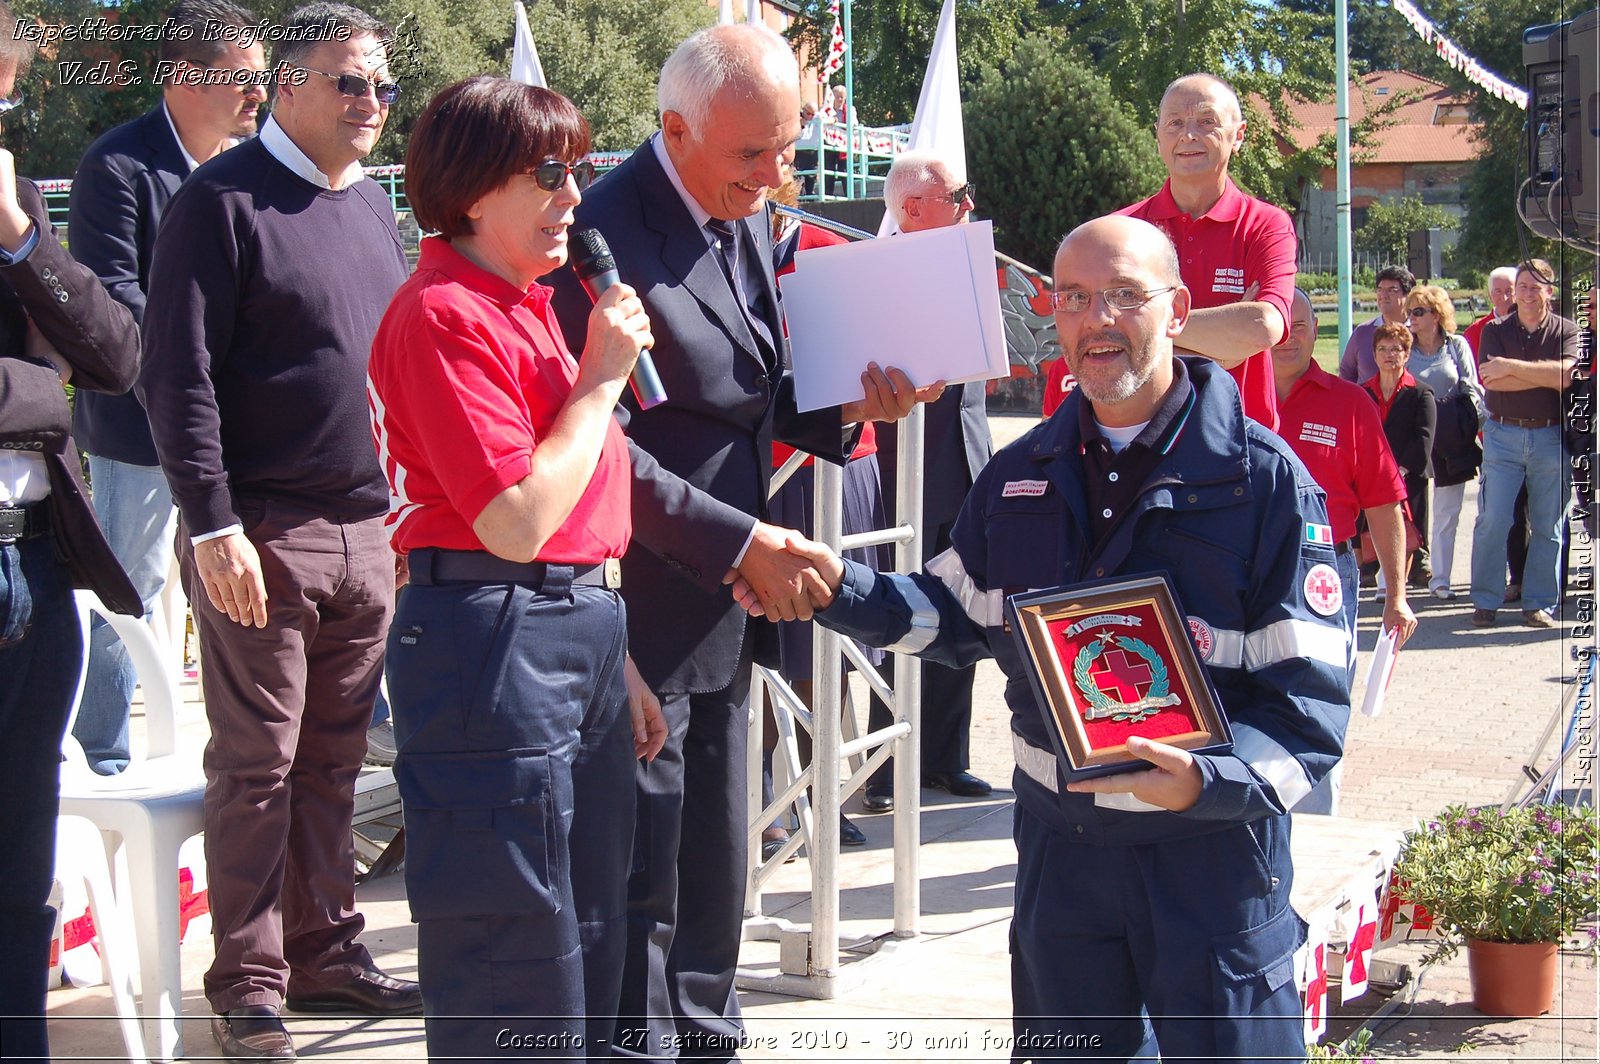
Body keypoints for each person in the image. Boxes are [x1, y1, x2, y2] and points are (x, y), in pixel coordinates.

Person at [738, 215, 1351, 1061]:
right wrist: (839, 588)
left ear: (1176, 310)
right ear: (1051, 316)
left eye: (1124, 296)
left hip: (1211, 863)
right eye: (1074, 299)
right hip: (1065, 867)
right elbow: (951, 613)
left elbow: (1312, 705)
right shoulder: (1020, 475)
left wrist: (1209, 780)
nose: (1097, 320)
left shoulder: (1265, 482)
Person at [544, 23, 931, 1059]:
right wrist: (736, 542)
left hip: (726, 598)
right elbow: (596, 445)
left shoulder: (740, 212)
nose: (774, 176)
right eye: (751, 154)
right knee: (642, 876)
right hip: (636, 600)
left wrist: (859, 395)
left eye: (786, 149)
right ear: (674, 130)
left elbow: (753, 398)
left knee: (715, 861)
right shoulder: (596, 236)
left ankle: (709, 1033)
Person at [138, 5, 422, 1059]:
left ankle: (326, 946)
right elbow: (178, 374)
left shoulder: (368, 210)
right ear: (288, 86)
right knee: (259, 761)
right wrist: (212, 525)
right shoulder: (219, 202)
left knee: (338, 762)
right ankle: (249, 979)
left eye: (383, 89)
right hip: (259, 528)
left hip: (364, 525)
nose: (371, 105)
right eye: (350, 83)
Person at [367, 76, 666, 1061]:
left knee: (584, 926)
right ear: (469, 189)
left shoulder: (531, 305)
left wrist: (606, 651)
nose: (573, 196)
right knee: (510, 944)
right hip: (486, 639)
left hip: (562, 630)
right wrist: (599, 382)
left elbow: (572, 512)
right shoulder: (443, 314)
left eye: (579, 171)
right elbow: (512, 518)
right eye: (547, 173)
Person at [66, 0, 266, 775]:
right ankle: (103, 755)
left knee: (248, 579)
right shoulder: (115, 168)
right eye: (244, 81)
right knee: (133, 586)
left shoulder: (251, 171)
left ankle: (250, 745)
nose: (260, 96)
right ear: (184, 77)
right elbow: (112, 292)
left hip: (237, 424)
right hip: (138, 428)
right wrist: (209, 349)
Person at [0, 9, 141, 1056]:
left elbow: (114, 356)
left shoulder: (16, 217)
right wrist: (35, 393)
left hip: (36, 562)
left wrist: (18, 237)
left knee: (20, 851)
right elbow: (51, 393)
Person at [862, 149, 995, 813]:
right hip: (906, 476)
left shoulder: (962, 268)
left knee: (962, 616)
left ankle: (947, 759)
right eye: (958, 195)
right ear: (914, 208)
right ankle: (888, 768)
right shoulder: (878, 273)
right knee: (902, 619)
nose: (969, 206)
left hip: (966, 470)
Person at [762, 184, 884, 854]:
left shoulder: (831, 255)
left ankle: (820, 793)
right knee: (764, 642)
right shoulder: (720, 253)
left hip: (834, 463)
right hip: (760, 468)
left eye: (782, 160)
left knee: (829, 639)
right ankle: (755, 799)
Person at [1116, 72, 1295, 431]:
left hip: (1237, 442)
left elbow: (1262, 325)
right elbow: (1110, 334)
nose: (1188, 135)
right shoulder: (1122, 231)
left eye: (1207, 121)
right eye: (1175, 123)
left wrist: (1148, 327)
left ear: (1239, 135)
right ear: (1158, 136)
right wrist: (1223, 349)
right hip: (1142, 441)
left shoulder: (1265, 225)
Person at [1273, 292, 1416, 653]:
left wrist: (1395, 596)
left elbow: (1384, 503)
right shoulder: (1227, 398)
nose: (1289, 335)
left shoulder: (1351, 404)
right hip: (1248, 570)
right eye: (1281, 325)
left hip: (1325, 571)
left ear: (1316, 331)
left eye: (1300, 325)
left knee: (1326, 692)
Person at [1470, 258, 1581, 629]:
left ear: (1550, 291)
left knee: (1549, 526)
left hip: (1551, 437)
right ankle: (1485, 601)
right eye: (1522, 287)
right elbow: (1492, 381)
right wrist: (1543, 375)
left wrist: (1512, 367)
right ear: (1513, 292)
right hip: (1503, 437)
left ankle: (1538, 604)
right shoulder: (1496, 330)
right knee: (1493, 520)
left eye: (1536, 287)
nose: (1528, 294)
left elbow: (1567, 377)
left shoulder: (1567, 331)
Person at [1404, 284, 1486, 600]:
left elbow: (1472, 387)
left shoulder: (1457, 346)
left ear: (1437, 315)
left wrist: (1471, 427)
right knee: (1406, 509)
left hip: (1451, 437)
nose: (1412, 317)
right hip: (1415, 438)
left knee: (1447, 513)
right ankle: (1396, 577)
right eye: (1410, 311)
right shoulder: (1405, 347)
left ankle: (1441, 579)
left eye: (1419, 311)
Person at [1360, 324, 1435, 593]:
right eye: (1383, 349)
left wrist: (1395, 472)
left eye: (1396, 349)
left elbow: (1423, 440)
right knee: (1369, 531)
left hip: (1408, 477)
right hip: (1370, 477)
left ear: (1407, 354)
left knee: (1404, 531)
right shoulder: (1363, 393)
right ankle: (1372, 575)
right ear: (1374, 354)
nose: (1389, 355)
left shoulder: (1421, 393)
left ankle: (1393, 587)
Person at [1339, 265, 1414, 385]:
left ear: (1408, 295)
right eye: (1380, 289)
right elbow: (1347, 373)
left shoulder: (1418, 330)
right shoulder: (1363, 332)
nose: (1383, 295)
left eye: (1391, 290)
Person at [1461, 265, 1517, 358]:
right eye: (1498, 291)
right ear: (1490, 295)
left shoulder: (1530, 326)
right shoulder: (1474, 332)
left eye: (1509, 291)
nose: (1504, 298)